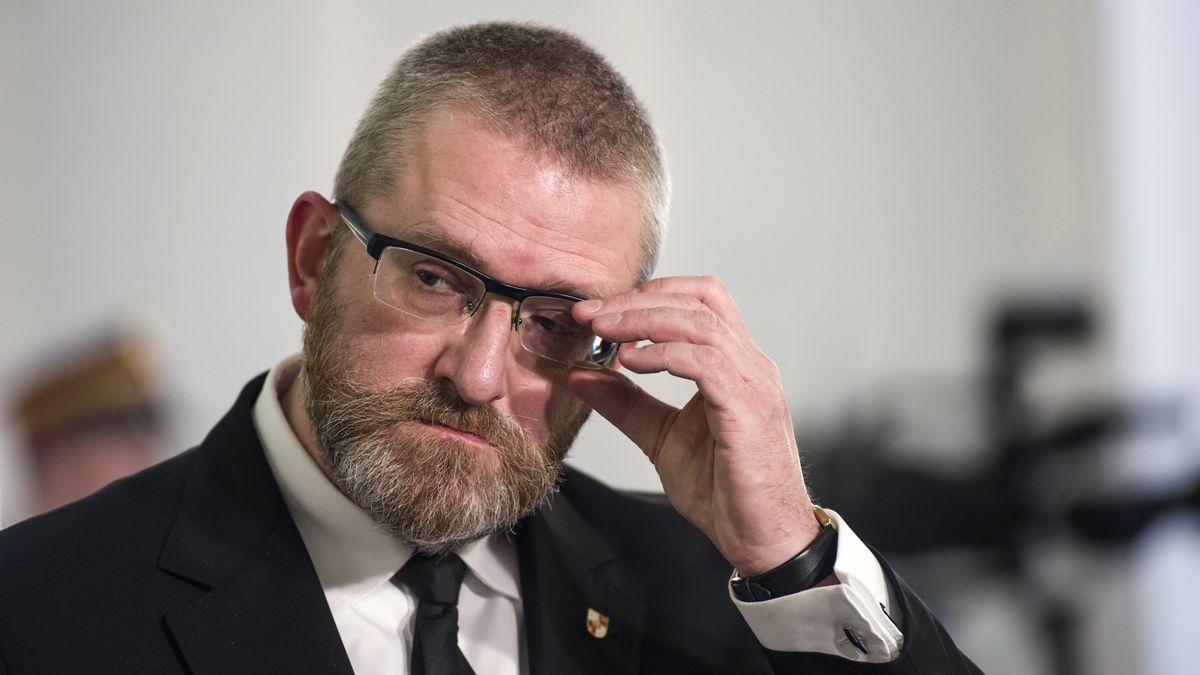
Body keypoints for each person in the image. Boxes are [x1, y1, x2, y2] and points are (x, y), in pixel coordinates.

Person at [0, 22, 979, 674]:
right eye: (434, 278)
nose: (476, 378)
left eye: (552, 322)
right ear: (312, 258)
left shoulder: (721, 598)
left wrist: (791, 557)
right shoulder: (39, 610)